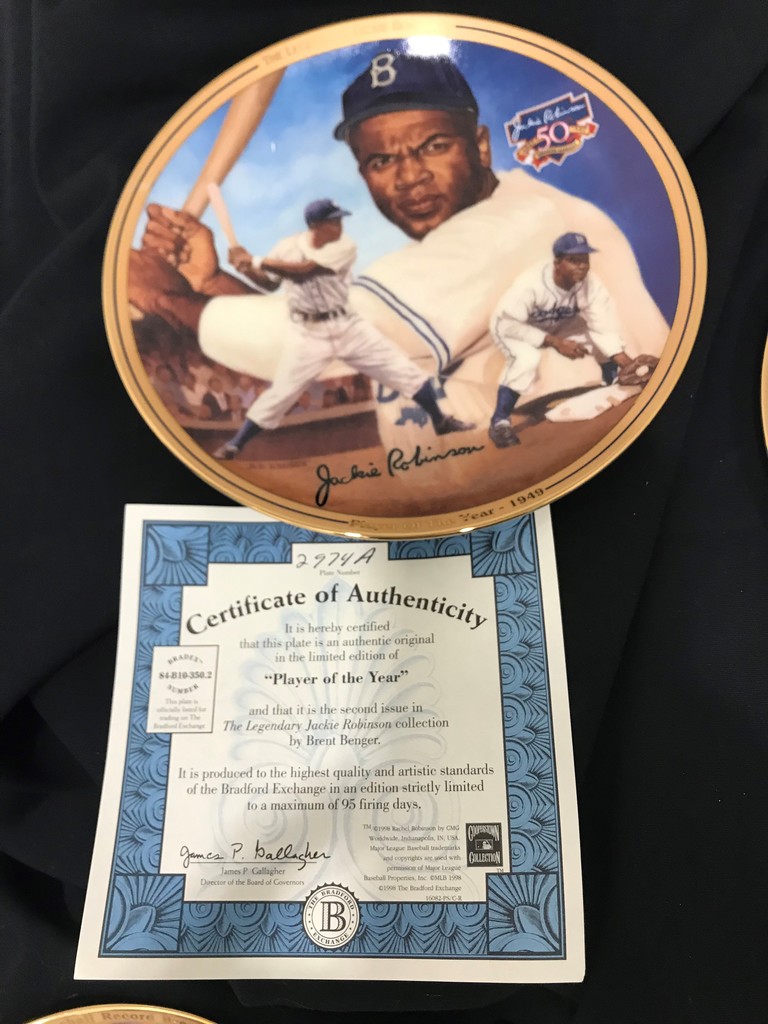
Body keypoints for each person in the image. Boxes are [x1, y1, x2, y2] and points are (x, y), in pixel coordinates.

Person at [128, 52, 668, 438]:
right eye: (382, 160)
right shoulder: (500, 224)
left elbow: (329, 336)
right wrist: (207, 283)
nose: (410, 177)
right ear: (363, 174)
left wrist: (160, 295)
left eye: (433, 146)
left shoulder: (519, 224)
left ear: (480, 146)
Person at [209, 198, 472, 459]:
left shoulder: (345, 246)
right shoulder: (287, 247)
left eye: (339, 220)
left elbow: (307, 270)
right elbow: (270, 284)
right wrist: (245, 268)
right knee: (282, 392)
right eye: (333, 222)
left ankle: (440, 421)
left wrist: (255, 260)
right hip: (307, 333)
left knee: (402, 370)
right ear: (315, 226)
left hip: (347, 327)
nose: (339, 226)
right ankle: (236, 444)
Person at [487, 232, 633, 447]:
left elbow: (602, 325)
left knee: (597, 339)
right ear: (557, 263)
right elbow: (509, 325)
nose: (582, 266)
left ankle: (611, 382)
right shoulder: (530, 284)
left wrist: (627, 363)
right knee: (527, 359)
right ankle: (500, 422)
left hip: (559, 324)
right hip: (514, 328)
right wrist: (555, 342)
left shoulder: (591, 284)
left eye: (585, 260)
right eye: (574, 260)